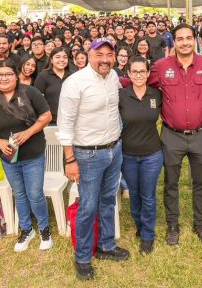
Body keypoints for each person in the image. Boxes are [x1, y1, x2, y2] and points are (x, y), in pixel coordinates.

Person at [57, 38, 127, 281]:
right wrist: (70, 160)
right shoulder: (74, 83)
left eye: (110, 55)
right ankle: (83, 256)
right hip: (87, 155)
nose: (105, 59)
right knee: (88, 205)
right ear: (88, 55)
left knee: (108, 199)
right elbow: (64, 124)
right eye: (100, 55)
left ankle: (106, 245)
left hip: (114, 149)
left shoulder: (114, 77)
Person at [148, 24, 202, 247]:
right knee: (171, 183)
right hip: (171, 135)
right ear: (174, 42)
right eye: (180, 39)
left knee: (200, 182)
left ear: (195, 40)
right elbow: (143, 86)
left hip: (200, 134)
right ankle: (172, 224)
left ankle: (200, 224)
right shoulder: (161, 67)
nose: (185, 43)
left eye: (189, 38)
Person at [0, 59, 53, 253]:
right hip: (8, 157)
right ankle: (26, 229)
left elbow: (46, 116)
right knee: (19, 193)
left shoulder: (30, 92)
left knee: (35, 194)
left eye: (8, 74)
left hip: (33, 154)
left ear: (16, 75)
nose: (4, 78)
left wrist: (29, 132)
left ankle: (44, 229)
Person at [118, 56, 163, 254]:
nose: (138, 75)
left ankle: (148, 235)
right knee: (134, 194)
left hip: (152, 153)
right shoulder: (121, 95)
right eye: (134, 71)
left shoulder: (156, 95)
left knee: (148, 195)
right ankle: (140, 223)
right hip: (128, 154)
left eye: (142, 71)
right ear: (128, 73)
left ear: (147, 73)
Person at [35, 48, 71, 125]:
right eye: (57, 57)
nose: (62, 60)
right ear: (51, 60)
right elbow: (37, 101)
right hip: (51, 122)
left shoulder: (73, 75)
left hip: (71, 120)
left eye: (65, 57)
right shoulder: (43, 76)